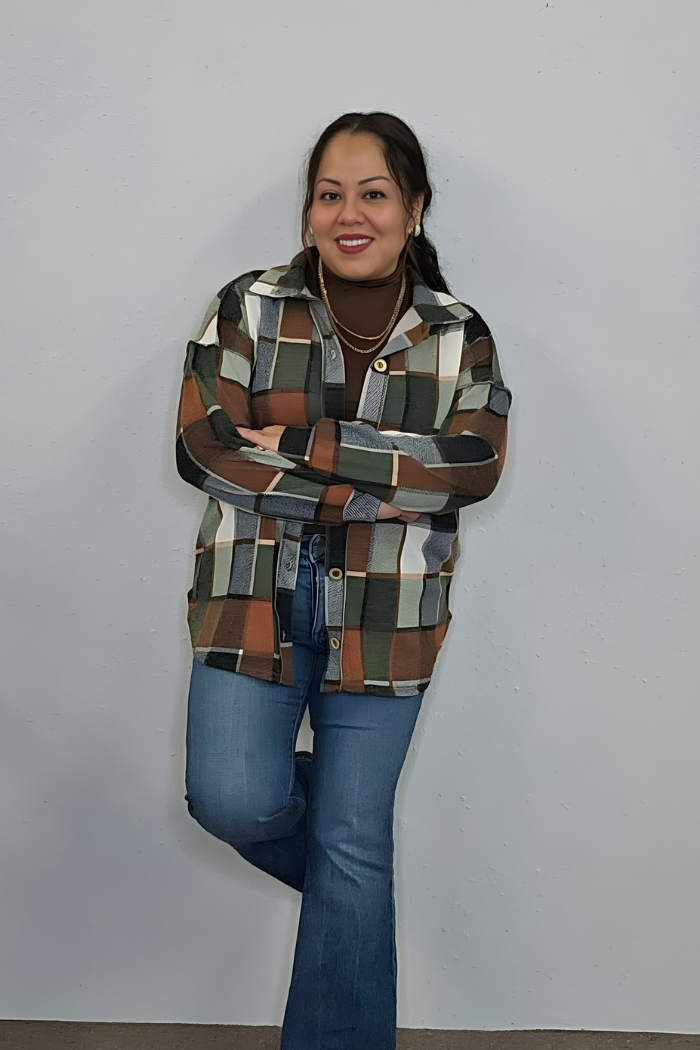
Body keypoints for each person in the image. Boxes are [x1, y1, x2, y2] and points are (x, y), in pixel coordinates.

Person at [175, 111, 512, 1050]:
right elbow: (205, 451)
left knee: (353, 842)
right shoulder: (247, 306)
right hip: (250, 596)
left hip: (390, 611)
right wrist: (385, 485)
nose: (348, 214)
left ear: (414, 208)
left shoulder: (457, 333)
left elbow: (473, 467)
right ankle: (343, 851)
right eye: (330, 194)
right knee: (234, 800)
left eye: (373, 194)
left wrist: (311, 443)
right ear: (309, 208)